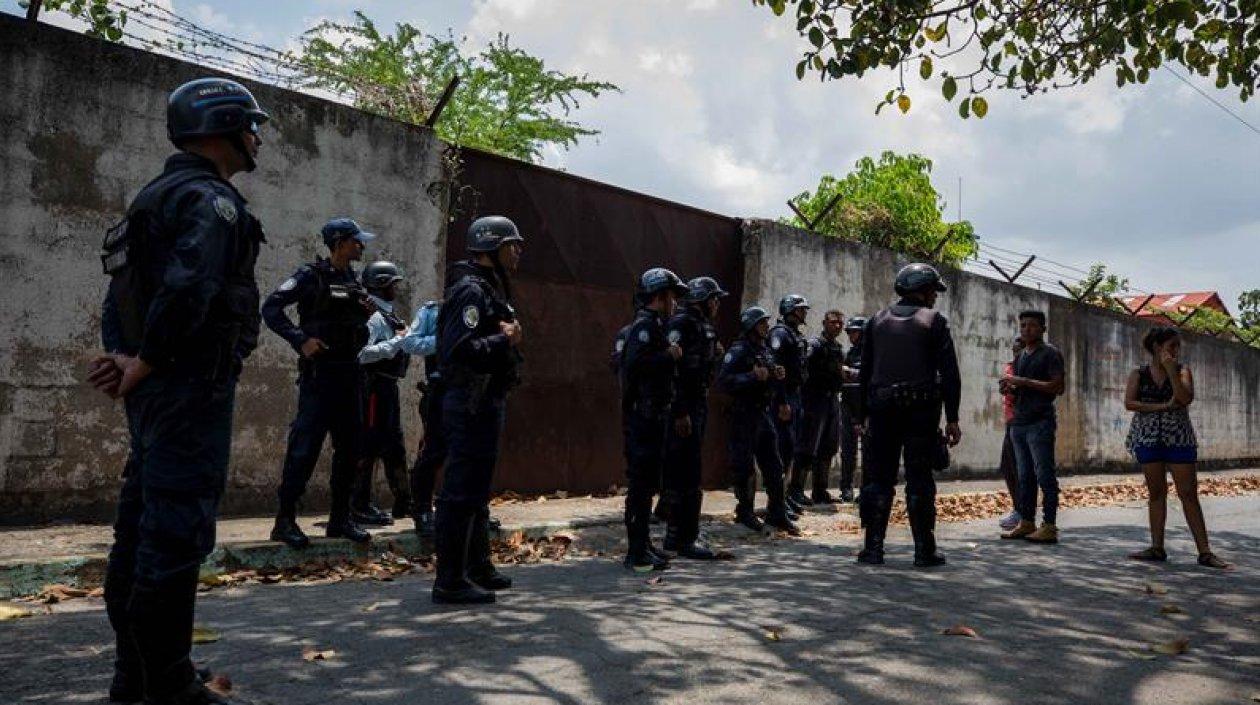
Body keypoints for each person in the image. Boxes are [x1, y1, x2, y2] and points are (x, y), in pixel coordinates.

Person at [89, 76, 267, 705]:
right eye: (251, 125)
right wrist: (152, 358)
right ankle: (168, 685)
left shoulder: (155, 194)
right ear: (224, 126)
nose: (256, 138)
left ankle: (133, 679)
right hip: (188, 387)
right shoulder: (210, 201)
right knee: (174, 537)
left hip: (156, 387)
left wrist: (127, 357)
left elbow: (121, 292)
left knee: (138, 531)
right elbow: (190, 286)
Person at [263, 218, 377, 549]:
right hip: (320, 377)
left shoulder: (352, 281)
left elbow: (355, 327)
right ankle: (284, 522)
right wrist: (300, 339)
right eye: (356, 241)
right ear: (339, 243)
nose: (361, 246)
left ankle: (340, 520)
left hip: (350, 376)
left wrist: (365, 316)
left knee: (350, 450)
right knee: (305, 449)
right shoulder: (309, 276)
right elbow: (271, 309)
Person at [431, 215, 524, 604]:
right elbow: (457, 349)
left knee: (477, 490)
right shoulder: (470, 290)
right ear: (493, 249)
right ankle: (449, 580)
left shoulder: (489, 288)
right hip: (469, 401)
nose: (517, 252)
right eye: (512, 245)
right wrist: (502, 340)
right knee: (459, 491)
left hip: (485, 400)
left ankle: (477, 565)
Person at [854, 263, 961, 568]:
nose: (934, 298)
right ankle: (924, 550)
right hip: (921, 412)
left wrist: (861, 416)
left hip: (881, 410)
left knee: (877, 479)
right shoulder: (935, 322)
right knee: (920, 479)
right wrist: (952, 418)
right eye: (932, 291)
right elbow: (950, 374)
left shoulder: (876, 321)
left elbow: (865, 374)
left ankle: (872, 549)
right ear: (923, 290)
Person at [1125, 327, 1230, 569]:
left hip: (1179, 437)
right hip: (1148, 437)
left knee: (1188, 493)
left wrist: (1171, 370)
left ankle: (1205, 552)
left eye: (1176, 346)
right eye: (1171, 345)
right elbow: (1130, 403)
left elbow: (1184, 398)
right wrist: (1162, 407)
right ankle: (1157, 547)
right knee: (1156, 492)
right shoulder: (1138, 374)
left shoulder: (1183, 371)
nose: (1175, 350)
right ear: (1156, 347)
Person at [619, 268, 690, 570]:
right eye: (672, 296)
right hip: (643, 417)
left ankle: (645, 544)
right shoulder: (644, 327)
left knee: (648, 484)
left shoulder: (657, 325)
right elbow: (635, 367)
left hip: (655, 415)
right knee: (639, 486)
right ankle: (636, 551)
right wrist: (669, 356)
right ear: (660, 297)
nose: (675, 302)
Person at [662, 276, 729, 560]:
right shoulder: (682, 324)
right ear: (704, 300)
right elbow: (674, 373)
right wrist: (680, 411)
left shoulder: (702, 326)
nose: (717, 304)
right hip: (684, 406)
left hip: (696, 403)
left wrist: (714, 356)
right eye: (714, 299)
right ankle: (679, 537)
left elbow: (702, 370)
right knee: (684, 473)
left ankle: (682, 534)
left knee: (689, 471)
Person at [719, 307, 801, 536]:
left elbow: (773, 376)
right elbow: (724, 381)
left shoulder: (764, 350)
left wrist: (781, 390)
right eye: (762, 323)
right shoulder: (738, 350)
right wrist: (751, 376)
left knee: (774, 465)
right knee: (744, 467)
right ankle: (745, 512)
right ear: (751, 326)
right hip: (743, 415)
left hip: (763, 414)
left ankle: (777, 513)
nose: (766, 326)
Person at [351, 261, 414, 526]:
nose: (395, 289)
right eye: (392, 284)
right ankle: (359, 505)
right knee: (369, 445)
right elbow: (362, 354)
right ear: (380, 285)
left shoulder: (386, 313)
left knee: (394, 445)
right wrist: (397, 342)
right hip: (374, 387)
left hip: (388, 387)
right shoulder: (373, 317)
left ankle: (404, 501)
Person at [1000, 311, 1065, 544]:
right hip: (1019, 422)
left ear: (1042, 329)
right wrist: (1010, 387)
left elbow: (1057, 387)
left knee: (1044, 474)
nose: (1026, 329)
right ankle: (1027, 521)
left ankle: (1049, 525)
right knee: (1024, 476)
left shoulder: (1050, 353)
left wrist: (1024, 382)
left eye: (1032, 326)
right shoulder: (1021, 357)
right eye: (1023, 325)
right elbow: (1019, 387)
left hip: (1040, 422)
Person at [795, 310, 847, 505]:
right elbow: (804, 367)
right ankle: (796, 489)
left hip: (832, 400)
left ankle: (820, 490)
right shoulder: (815, 345)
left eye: (840, 323)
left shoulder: (838, 348)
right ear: (825, 322)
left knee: (828, 446)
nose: (838, 326)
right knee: (808, 445)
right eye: (834, 322)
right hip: (814, 400)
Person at [770, 294, 811, 514]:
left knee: (791, 448)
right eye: (801, 309)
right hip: (783, 397)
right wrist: (782, 401)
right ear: (791, 310)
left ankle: (784, 497)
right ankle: (776, 501)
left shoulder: (794, 335)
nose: (804, 313)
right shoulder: (779, 334)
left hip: (796, 395)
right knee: (782, 449)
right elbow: (776, 371)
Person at [408, 300, 444, 539]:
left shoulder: (489, 306)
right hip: (441, 390)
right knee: (433, 453)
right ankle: (421, 510)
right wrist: (443, 342)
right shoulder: (432, 311)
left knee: (471, 454)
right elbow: (411, 342)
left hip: (475, 392)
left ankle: (474, 510)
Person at [997, 336, 1027, 531]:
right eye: (1015, 352)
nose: (1016, 356)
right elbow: (1006, 388)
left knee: (1024, 468)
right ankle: (1020, 509)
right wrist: (1006, 387)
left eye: (1020, 352)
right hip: (1012, 420)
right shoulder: (1010, 367)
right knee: (1008, 466)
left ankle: (1024, 512)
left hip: (1027, 421)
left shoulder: (1033, 368)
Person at [837, 315, 867, 503]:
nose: (851, 335)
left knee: (869, 452)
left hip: (865, 409)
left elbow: (871, 375)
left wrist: (851, 373)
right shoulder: (850, 353)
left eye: (854, 332)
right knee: (848, 451)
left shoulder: (873, 352)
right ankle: (846, 488)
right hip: (848, 405)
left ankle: (866, 488)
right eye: (849, 332)